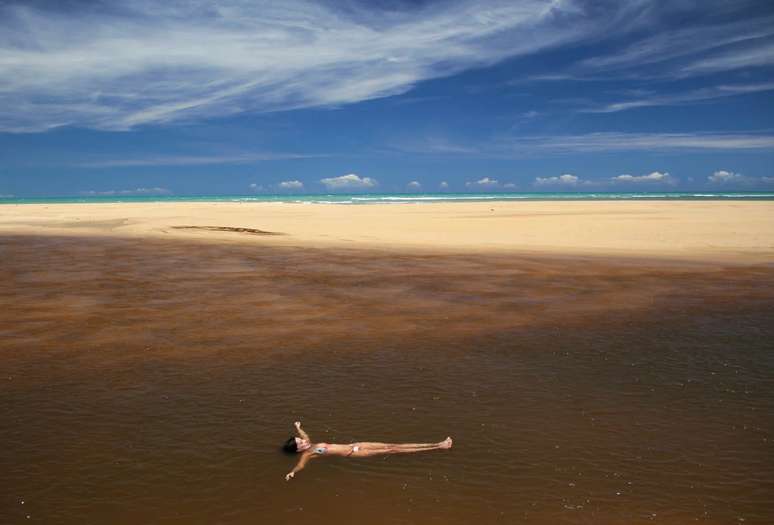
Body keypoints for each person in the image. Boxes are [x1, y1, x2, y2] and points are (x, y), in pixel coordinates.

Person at [283, 421, 452, 480]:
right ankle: (438, 447)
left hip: (357, 444)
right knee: (393, 451)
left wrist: (299, 428)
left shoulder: (310, 444)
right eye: (300, 442)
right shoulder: (308, 453)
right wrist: (293, 472)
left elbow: (305, 435)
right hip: (355, 453)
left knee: (393, 445)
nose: (304, 440)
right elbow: (301, 466)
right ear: (298, 450)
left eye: (302, 440)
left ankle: (437, 443)